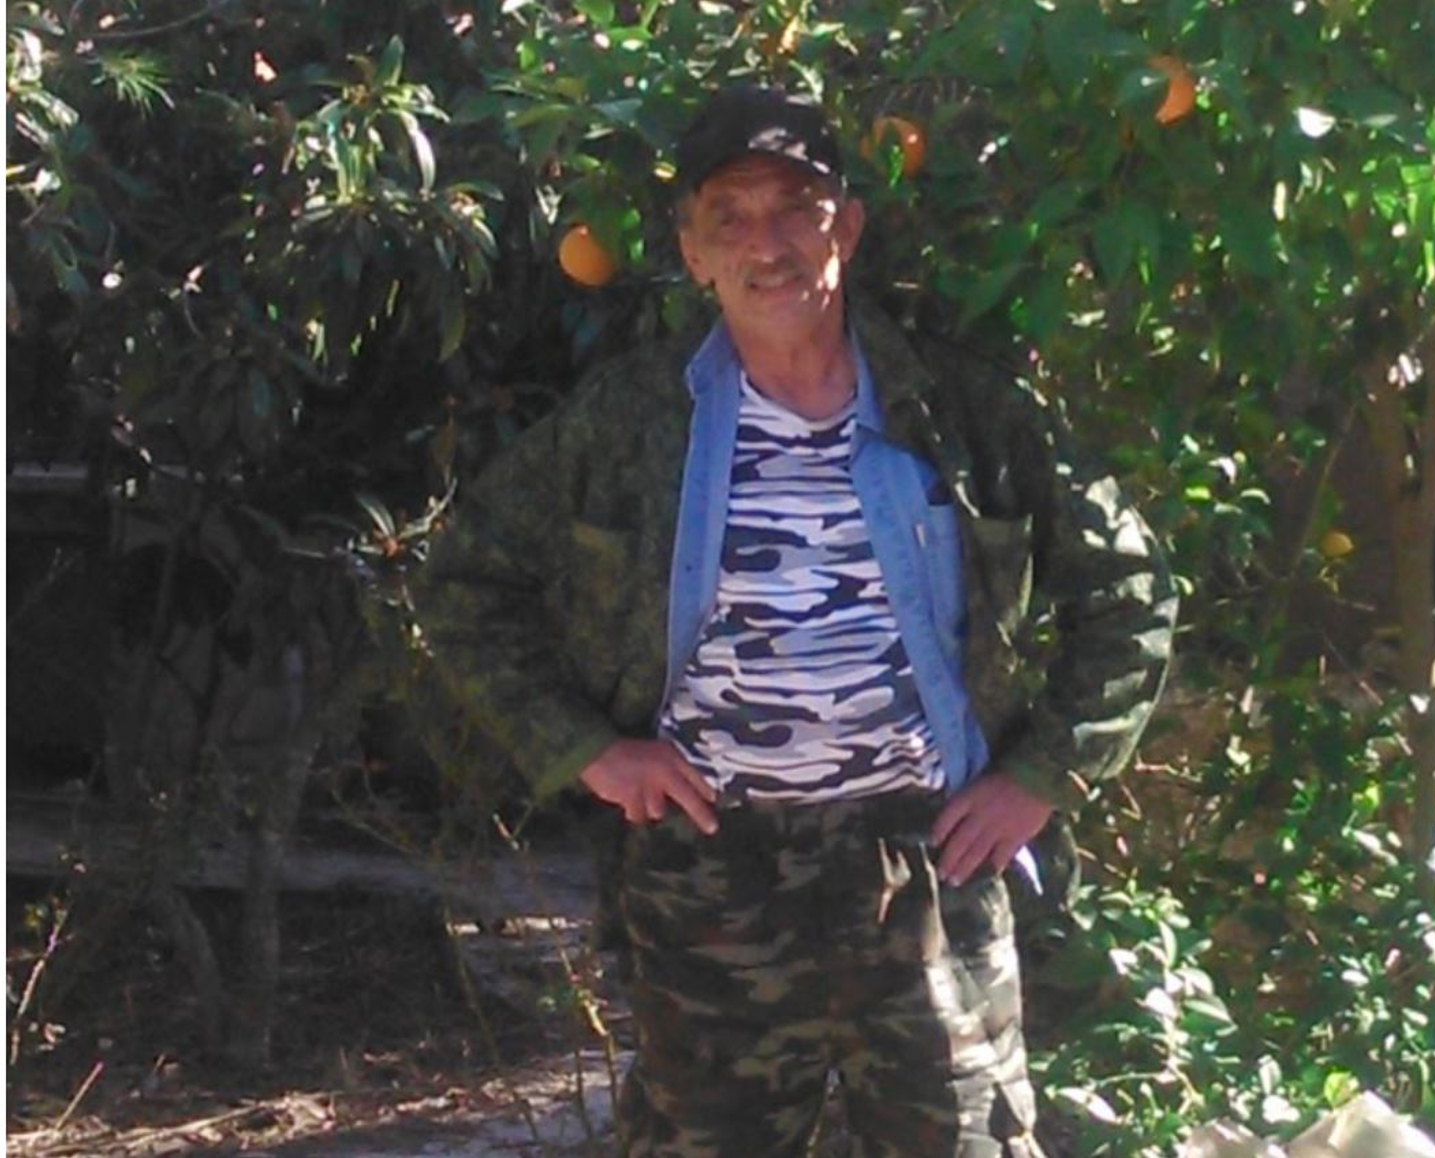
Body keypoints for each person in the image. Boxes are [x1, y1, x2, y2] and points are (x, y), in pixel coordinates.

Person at [417, 86, 1176, 1158]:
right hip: (709, 875)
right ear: (692, 253)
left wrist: (1044, 773)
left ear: (847, 229)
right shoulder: (631, 422)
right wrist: (587, 750)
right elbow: (462, 584)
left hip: (927, 861)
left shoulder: (958, 412)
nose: (764, 245)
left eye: (795, 209)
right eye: (728, 217)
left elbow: (1130, 585)